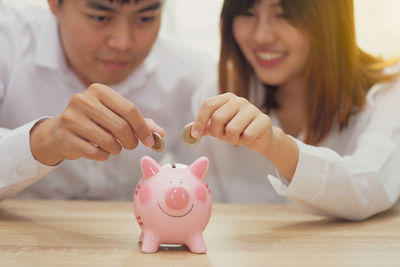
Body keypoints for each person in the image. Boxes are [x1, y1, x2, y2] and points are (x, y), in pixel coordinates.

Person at [190, 0, 400, 220]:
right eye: (247, 13)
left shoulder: (387, 91)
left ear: (330, 21)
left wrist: (276, 145)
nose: (262, 36)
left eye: (284, 15)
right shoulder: (217, 93)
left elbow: (369, 189)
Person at [0, 0, 212, 200]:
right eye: (100, 17)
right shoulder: (6, 41)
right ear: (54, 3)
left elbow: (203, 187)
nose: (123, 42)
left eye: (145, 18)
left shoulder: (193, 76)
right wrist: (47, 138)